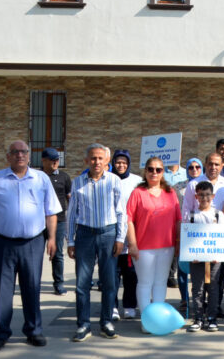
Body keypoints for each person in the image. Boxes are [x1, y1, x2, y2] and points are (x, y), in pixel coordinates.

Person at [0, 141, 61, 352]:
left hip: (33, 242)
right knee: (1, 291)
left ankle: (34, 332)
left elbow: (50, 212)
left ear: (29, 155)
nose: (19, 155)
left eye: (23, 151)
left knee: (32, 288)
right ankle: (1, 333)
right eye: (14, 152)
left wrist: (51, 239)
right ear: (8, 157)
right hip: (2, 242)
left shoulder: (41, 178)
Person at [68, 143, 125, 341]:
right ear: (86, 161)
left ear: (107, 161)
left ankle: (106, 322)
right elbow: (71, 214)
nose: (97, 162)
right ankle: (83, 324)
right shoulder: (77, 183)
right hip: (84, 235)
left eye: (101, 158)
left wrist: (120, 238)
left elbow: (121, 212)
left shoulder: (114, 181)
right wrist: (70, 241)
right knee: (82, 283)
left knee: (109, 282)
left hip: (108, 234)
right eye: (93, 158)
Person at [124, 157, 181, 327]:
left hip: (167, 246)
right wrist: (132, 244)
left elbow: (178, 219)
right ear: (145, 171)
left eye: (158, 169)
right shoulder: (137, 193)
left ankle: (157, 319)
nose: (154, 173)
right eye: (150, 169)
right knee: (145, 283)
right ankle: (146, 320)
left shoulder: (171, 193)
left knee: (161, 282)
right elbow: (128, 220)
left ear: (163, 172)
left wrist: (178, 242)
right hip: (143, 247)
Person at [182, 153, 224, 317]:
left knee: (217, 280)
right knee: (198, 282)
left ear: (222, 166)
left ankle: (215, 309)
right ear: (205, 164)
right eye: (210, 164)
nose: (213, 167)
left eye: (217, 164)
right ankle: (200, 311)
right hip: (197, 241)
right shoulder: (193, 184)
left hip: (218, 240)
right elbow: (186, 211)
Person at [185, 181, 224, 333]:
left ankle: (212, 318)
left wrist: (218, 254)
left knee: (212, 287)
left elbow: (223, 237)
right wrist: (191, 254)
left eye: (207, 195)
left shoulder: (218, 215)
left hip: (214, 259)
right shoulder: (191, 216)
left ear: (213, 196)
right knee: (197, 288)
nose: (204, 198)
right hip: (196, 259)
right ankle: (198, 318)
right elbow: (187, 237)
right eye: (201, 195)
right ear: (196, 196)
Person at [111, 149, 143, 321]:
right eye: (118, 162)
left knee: (131, 273)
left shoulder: (137, 181)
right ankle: (112, 306)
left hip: (132, 234)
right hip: (112, 233)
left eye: (124, 162)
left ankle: (130, 305)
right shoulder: (108, 179)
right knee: (112, 273)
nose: (121, 165)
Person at [171, 158, 203, 309]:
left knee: (201, 267)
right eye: (191, 167)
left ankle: (200, 298)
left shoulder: (206, 185)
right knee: (182, 266)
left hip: (201, 230)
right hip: (185, 229)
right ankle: (184, 298)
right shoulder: (179, 187)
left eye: (197, 167)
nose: (194, 170)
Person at [41, 147, 72, 296]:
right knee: (35, 255)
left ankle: (58, 284)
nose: (55, 163)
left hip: (59, 221)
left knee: (57, 254)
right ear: (43, 160)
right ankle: (33, 283)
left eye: (57, 160)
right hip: (39, 222)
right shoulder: (37, 176)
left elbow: (70, 198)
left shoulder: (64, 177)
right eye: (52, 160)